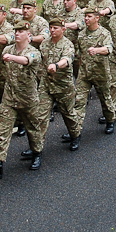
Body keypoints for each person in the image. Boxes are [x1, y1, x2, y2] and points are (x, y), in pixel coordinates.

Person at [0, 20, 44, 171]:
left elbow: (26, 60)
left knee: (33, 128)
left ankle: (36, 153)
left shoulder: (34, 52)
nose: (17, 33)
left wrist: (12, 58)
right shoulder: (7, 49)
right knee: (3, 131)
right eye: (15, 31)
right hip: (10, 98)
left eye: (21, 31)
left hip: (28, 98)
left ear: (28, 35)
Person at [38, 18, 81, 151]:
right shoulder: (44, 43)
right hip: (46, 84)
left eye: (55, 28)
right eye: (51, 27)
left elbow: (67, 60)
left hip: (63, 86)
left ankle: (75, 135)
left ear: (63, 29)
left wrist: (56, 65)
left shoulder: (67, 45)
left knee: (68, 113)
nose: (52, 30)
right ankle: (36, 149)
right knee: (40, 115)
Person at [74, 8, 116, 134]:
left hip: (100, 73)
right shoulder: (81, 34)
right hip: (85, 74)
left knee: (105, 99)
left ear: (97, 18)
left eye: (89, 16)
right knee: (79, 102)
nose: (86, 19)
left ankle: (110, 121)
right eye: (85, 16)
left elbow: (109, 49)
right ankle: (75, 131)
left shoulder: (104, 33)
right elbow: (79, 54)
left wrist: (97, 50)